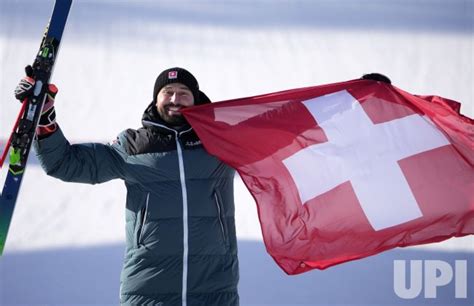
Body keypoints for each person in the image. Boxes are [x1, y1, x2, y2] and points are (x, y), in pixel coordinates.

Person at [16, 67, 239, 306]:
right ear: (156, 98)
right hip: (147, 288)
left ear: (196, 98)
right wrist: (44, 119)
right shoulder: (133, 146)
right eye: (168, 92)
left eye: (184, 92)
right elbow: (65, 163)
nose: (175, 99)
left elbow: (275, 134)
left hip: (214, 288)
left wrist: (286, 110)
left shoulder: (221, 141)